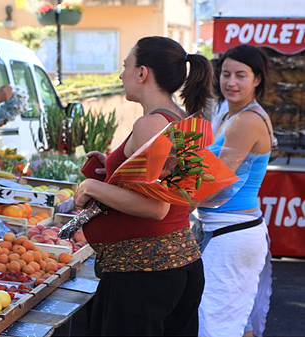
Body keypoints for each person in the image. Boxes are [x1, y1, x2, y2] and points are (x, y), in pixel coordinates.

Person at [75, 36, 213, 336]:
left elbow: (155, 207)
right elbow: (185, 199)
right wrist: (115, 169)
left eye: (126, 66)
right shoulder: (184, 120)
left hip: (144, 277)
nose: (121, 75)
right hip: (179, 266)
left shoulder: (150, 125)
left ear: (142, 73)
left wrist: (91, 187)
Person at [197, 45, 272, 337]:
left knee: (215, 325)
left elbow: (212, 181)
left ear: (257, 80)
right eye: (226, 74)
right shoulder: (229, 113)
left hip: (232, 232)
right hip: (226, 230)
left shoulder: (248, 120)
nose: (230, 82)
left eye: (241, 75)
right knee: (227, 321)